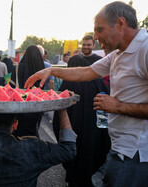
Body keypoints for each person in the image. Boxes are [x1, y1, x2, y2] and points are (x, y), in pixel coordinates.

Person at [25, 2, 148, 186]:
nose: (96, 37)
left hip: (135, 154)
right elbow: (86, 72)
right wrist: (52, 71)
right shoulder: (118, 54)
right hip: (120, 150)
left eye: (100, 30)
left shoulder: (145, 50)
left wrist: (117, 107)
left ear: (121, 24)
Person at [53, 55, 110, 187]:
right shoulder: (99, 82)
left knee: (75, 161)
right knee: (91, 157)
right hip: (94, 131)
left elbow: (58, 110)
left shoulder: (68, 83)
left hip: (73, 131)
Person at [10, 45, 45, 137]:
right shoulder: (42, 68)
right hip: (37, 105)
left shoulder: (17, 68)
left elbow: (11, 87)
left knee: (18, 129)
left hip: (19, 105)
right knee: (33, 128)